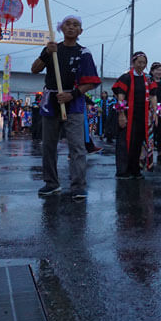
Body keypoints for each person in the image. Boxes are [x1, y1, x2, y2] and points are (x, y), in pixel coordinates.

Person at [31, 15, 101, 200]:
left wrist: (73, 94)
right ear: (62, 28)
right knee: (48, 145)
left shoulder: (84, 53)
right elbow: (35, 69)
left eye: (75, 25)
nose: (71, 27)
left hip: (74, 101)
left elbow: (92, 82)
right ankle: (51, 183)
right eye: (68, 24)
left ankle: (78, 186)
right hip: (51, 100)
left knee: (77, 146)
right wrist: (46, 52)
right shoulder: (53, 49)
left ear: (80, 31)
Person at [113, 52, 155, 178]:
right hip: (127, 115)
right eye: (139, 62)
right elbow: (120, 95)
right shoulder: (126, 77)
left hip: (142, 116)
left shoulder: (147, 79)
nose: (141, 65)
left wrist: (155, 113)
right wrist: (121, 114)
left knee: (138, 143)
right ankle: (122, 171)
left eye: (144, 63)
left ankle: (135, 169)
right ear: (133, 62)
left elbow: (153, 96)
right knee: (125, 143)